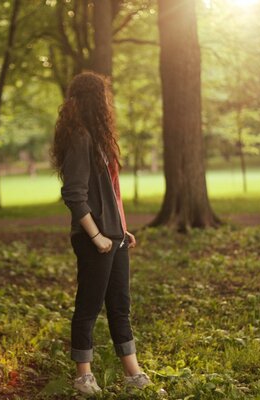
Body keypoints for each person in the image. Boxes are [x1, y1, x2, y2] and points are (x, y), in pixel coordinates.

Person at [51, 71, 158, 395]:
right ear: (97, 100)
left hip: (116, 237)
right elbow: (73, 194)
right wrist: (97, 236)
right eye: (105, 97)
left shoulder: (98, 139)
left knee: (120, 306)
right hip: (94, 238)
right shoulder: (80, 137)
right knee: (89, 305)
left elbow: (111, 192)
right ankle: (83, 375)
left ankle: (132, 374)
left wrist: (122, 231)